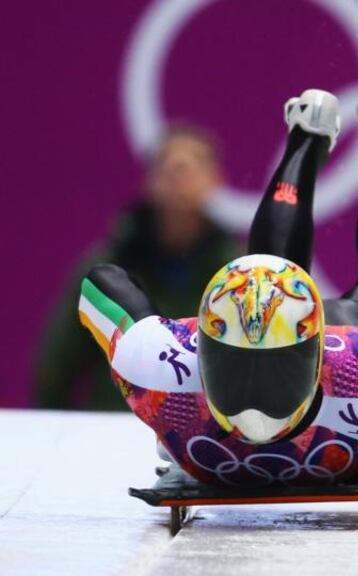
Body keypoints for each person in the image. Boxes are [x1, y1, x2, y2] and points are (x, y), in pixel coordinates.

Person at [77, 89, 358, 485]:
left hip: (354, 329)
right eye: (235, 369)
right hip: (355, 377)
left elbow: (101, 284)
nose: (254, 405)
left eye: (277, 371)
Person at [36, 126, 239, 410]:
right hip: (115, 427)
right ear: (150, 180)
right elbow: (58, 363)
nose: (180, 170)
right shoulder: (105, 268)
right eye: (168, 163)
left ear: (216, 180)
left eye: (196, 160)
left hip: (204, 438)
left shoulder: (237, 276)